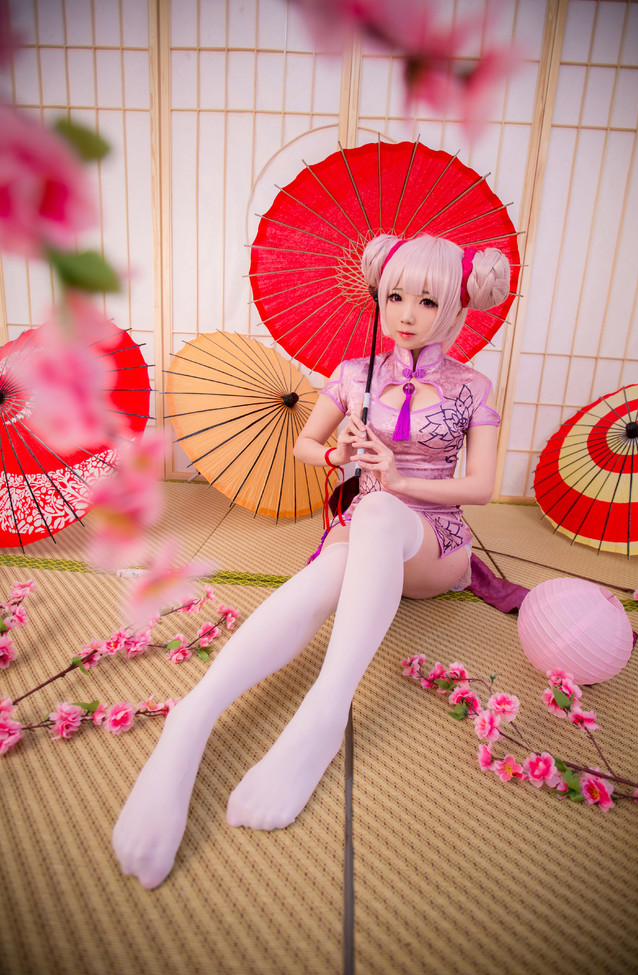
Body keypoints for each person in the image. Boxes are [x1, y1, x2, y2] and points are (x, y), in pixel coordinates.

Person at [112, 232, 510, 889]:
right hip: (367, 534)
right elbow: (306, 446)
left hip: (434, 543)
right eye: (395, 296)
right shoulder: (356, 374)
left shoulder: (472, 385)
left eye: (428, 300)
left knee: (377, 512)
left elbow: (482, 487)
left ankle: (324, 711)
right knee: (336, 560)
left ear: (457, 307)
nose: (407, 313)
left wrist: (397, 480)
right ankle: (194, 715)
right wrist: (340, 451)